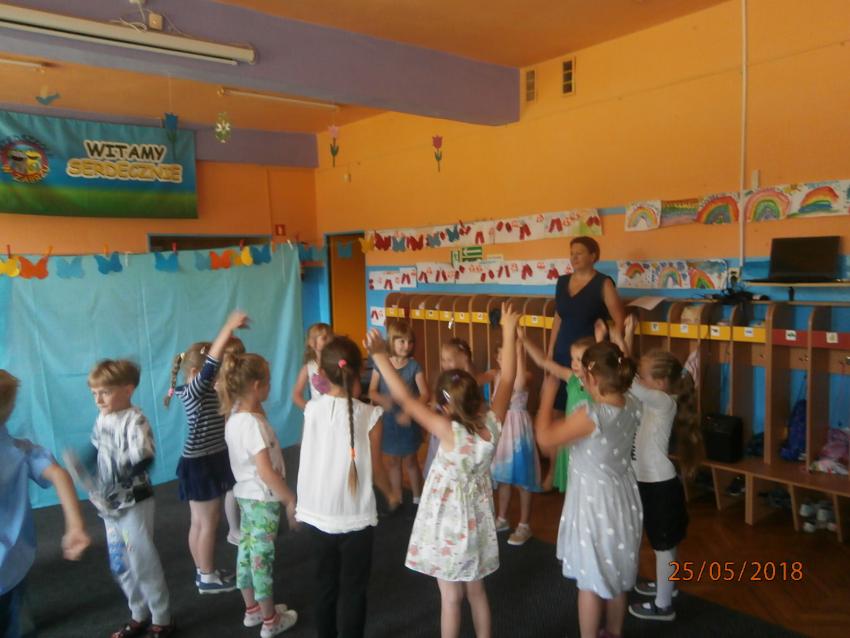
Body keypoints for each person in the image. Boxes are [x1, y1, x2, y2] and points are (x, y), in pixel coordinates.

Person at [366, 302, 521, 638]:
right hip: (477, 521)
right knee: (477, 592)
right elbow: (508, 377)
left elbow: (406, 400)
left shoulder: (447, 431)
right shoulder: (492, 425)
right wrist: (509, 332)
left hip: (448, 526)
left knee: (450, 598)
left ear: (446, 405)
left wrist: (379, 356)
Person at [536, 342, 642, 638]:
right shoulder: (631, 403)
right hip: (622, 500)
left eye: (583, 378)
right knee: (616, 576)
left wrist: (547, 396)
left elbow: (545, 438)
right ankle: (614, 632)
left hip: (595, 507)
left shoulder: (592, 415)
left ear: (593, 378)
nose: (581, 383)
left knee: (590, 582)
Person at [296, 336, 397, 638]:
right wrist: (391, 493)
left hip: (317, 513)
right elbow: (376, 469)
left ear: (322, 374)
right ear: (360, 370)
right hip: (355, 517)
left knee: (323, 586)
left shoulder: (311, 409)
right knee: (354, 590)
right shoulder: (371, 415)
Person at [1, 370, 91, 638]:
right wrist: (75, 526)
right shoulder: (20, 451)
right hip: (11, 567)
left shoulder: (18, 450)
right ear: (9, 409)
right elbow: (59, 474)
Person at [88, 359, 174, 638]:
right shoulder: (102, 418)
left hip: (134, 502)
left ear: (128, 389)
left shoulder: (136, 420)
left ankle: (161, 618)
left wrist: (120, 477)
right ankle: (138, 613)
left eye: (105, 392)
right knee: (120, 564)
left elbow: (145, 458)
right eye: (94, 393)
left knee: (142, 560)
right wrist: (88, 469)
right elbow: (97, 449)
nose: (99, 399)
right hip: (108, 505)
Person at [164, 310, 248, 593]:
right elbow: (212, 362)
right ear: (194, 374)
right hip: (200, 463)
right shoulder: (195, 391)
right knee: (207, 523)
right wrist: (228, 327)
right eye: (213, 373)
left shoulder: (202, 391)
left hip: (205, 460)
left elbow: (215, 369)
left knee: (200, 523)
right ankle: (207, 575)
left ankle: (204, 571)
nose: (216, 376)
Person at [219, 352, 299, 637]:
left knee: (246, 552)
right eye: (268, 382)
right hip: (263, 499)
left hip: (246, 496)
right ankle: (270, 621)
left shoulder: (235, 418)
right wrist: (289, 499)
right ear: (256, 386)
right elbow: (265, 471)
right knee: (261, 560)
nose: (270, 387)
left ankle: (252, 610)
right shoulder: (252, 424)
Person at [627, 349, 700, 622]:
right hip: (650, 482)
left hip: (659, 485)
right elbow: (633, 388)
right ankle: (666, 586)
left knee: (663, 546)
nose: (638, 379)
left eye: (642, 375)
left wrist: (618, 347)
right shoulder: (654, 399)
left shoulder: (663, 401)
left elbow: (631, 385)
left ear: (658, 383)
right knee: (664, 543)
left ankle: (663, 605)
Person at [545, 237, 624, 488]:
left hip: (589, 358)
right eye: (572, 253)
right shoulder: (562, 282)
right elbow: (558, 318)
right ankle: (554, 472)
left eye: (579, 253)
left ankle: (582, 470)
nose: (574, 257)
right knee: (558, 412)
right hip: (563, 353)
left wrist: (610, 346)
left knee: (584, 410)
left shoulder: (603, 283)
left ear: (593, 256)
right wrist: (550, 349)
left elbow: (618, 319)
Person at [522, 320, 607, 494]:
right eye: (572, 358)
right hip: (572, 442)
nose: (574, 363)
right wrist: (524, 339)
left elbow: (603, 362)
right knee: (572, 487)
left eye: (579, 360)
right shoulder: (572, 379)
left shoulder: (599, 383)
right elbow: (543, 361)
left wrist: (600, 339)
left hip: (590, 445)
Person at [485, 340, 541, 546]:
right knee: (503, 478)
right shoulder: (496, 375)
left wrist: (517, 350)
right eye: (501, 357)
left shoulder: (525, 375)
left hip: (518, 431)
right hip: (502, 430)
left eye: (509, 356)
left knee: (523, 479)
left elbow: (518, 385)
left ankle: (524, 525)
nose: (505, 361)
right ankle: (502, 518)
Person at [368, 320, 429, 507]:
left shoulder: (414, 366)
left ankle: (417, 498)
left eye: (410, 342)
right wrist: (382, 399)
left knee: (411, 461)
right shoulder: (381, 365)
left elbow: (425, 394)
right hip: (389, 421)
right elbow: (372, 392)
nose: (406, 346)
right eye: (401, 341)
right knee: (393, 462)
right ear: (391, 342)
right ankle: (397, 496)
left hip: (408, 422)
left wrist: (410, 411)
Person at [424, 338, 474, 478]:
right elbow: (434, 402)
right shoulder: (441, 378)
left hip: (456, 432)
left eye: (449, 360)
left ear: (463, 359)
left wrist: (466, 363)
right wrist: (429, 429)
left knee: (452, 464)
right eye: (443, 359)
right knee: (435, 459)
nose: (445, 364)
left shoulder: (465, 381)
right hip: (439, 429)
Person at [291, 323, 333, 410]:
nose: (329, 341)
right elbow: (296, 395)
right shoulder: (308, 368)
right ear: (312, 342)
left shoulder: (336, 364)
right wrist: (311, 410)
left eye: (331, 337)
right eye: (324, 338)